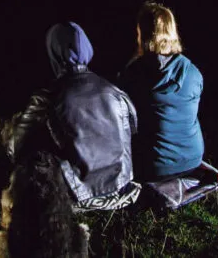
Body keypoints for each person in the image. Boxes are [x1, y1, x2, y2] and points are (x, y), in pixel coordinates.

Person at [8, 21, 140, 211]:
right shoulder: (115, 92)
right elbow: (133, 131)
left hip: (77, 198)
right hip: (122, 190)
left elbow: (16, 149)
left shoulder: (46, 98)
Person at [120, 2, 204, 181]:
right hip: (193, 159)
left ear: (143, 34)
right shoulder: (193, 72)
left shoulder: (134, 74)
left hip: (155, 166)